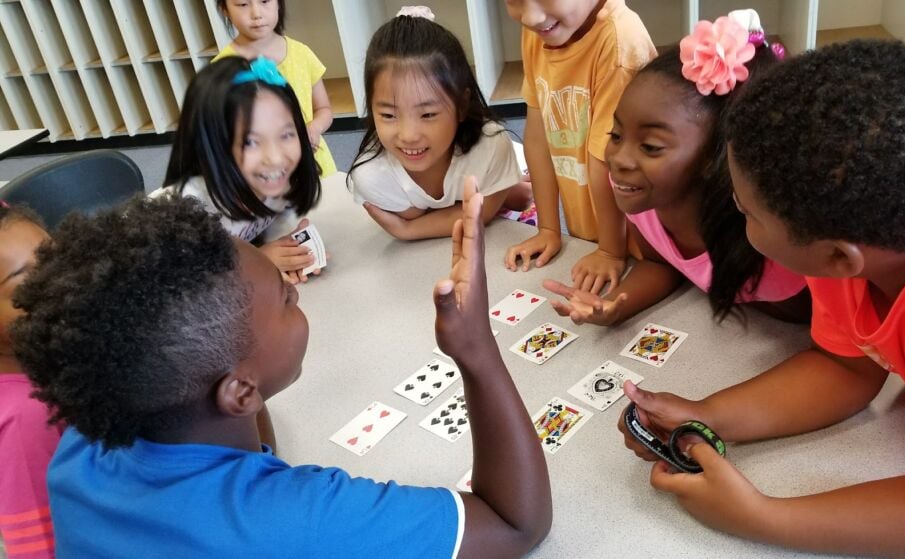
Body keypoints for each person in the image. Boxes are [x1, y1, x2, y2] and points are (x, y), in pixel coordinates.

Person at [12, 181, 552, 557]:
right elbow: (515, 523)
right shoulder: (300, 520)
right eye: (285, 299)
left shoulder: (79, 452)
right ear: (239, 393)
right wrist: (475, 348)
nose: (297, 293)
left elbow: (244, 435)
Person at [619, 39, 905, 556]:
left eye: (747, 213)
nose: (735, 216)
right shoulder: (855, 230)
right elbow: (846, 368)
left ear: (838, 257)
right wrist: (707, 414)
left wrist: (761, 517)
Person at [544, 11, 809, 325]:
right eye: (615, 135)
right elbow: (661, 263)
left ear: (713, 156)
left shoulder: (775, 244)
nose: (618, 160)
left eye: (650, 147)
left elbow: (818, 324)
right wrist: (614, 307)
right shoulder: (643, 202)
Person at [503, 0, 656, 295]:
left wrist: (610, 251)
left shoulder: (620, 40)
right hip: (592, 236)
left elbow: (609, 158)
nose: (530, 16)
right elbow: (538, 134)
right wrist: (548, 229)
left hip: (638, 243)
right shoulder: (540, 30)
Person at [347, 7, 529, 241]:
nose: (409, 135)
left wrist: (408, 230)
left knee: (523, 198)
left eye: (428, 114)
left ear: (461, 106)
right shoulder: (371, 174)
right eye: (389, 115)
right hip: (476, 184)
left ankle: (510, 184)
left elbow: (480, 215)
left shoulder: (490, 146)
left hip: (495, 160)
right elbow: (415, 215)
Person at [157, 56, 322, 285]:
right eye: (250, 142)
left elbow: (274, 223)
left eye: (286, 135)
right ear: (211, 147)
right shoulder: (185, 213)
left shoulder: (283, 182)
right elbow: (174, 287)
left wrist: (290, 248)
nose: (275, 158)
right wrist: (258, 262)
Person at [214, 0, 337, 177]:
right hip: (263, 170)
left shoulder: (301, 53)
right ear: (224, 9)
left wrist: (314, 128)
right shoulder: (221, 70)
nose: (256, 14)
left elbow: (323, 109)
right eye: (243, 4)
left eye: (265, 1)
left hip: (313, 160)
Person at [0, 203, 60, 559]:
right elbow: (42, 550)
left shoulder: (45, 361)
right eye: (28, 285)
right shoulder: (28, 419)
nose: (61, 287)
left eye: (58, 262)